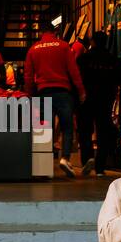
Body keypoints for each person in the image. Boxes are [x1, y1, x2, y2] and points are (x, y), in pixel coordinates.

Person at [25, 16, 86, 178]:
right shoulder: (64, 46)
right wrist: (81, 91)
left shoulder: (34, 49)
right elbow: (74, 72)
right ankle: (65, 158)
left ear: (41, 32)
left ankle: (44, 162)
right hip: (63, 92)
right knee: (67, 127)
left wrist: (29, 94)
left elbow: (28, 76)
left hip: (43, 91)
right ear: (55, 31)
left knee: (46, 128)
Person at [77, 31, 121, 176]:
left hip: (87, 99)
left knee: (85, 129)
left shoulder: (84, 59)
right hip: (106, 99)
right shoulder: (113, 60)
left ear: (92, 42)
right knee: (103, 131)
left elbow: (77, 78)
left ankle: (87, 159)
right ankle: (100, 166)